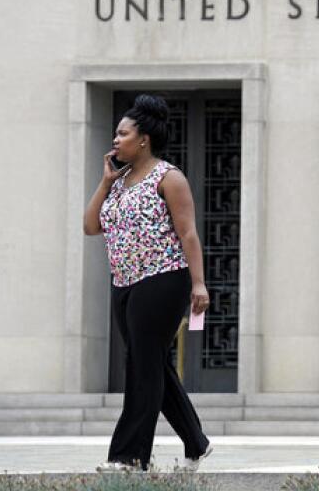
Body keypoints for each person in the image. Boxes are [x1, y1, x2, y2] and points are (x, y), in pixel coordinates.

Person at [83, 94, 213, 472]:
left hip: (163, 279)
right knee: (150, 362)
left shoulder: (169, 178)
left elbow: (188, 234)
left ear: (144, 139)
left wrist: (199, 284)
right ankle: (196, 441)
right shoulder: (119, 182)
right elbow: (91, 226)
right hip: (124, 283)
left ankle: (130, 455)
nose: (115, 140)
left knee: (141, 366)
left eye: (122, 134)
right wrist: (105, 183)